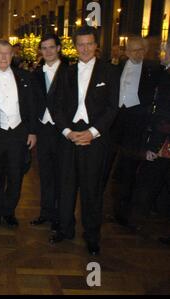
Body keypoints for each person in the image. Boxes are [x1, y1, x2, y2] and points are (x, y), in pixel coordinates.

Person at [51, 26, 120, 256]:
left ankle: (91, 235)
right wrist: (68, 132)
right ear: (74, 46)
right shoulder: (65, 71)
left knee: (92, 190)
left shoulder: (109, 71)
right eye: (80, 44)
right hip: (69, 136)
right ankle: (65, 228)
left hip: (95, 139)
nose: (85, 48)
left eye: (89, 43)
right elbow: (56, 106)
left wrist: (92, 132)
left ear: (96, 45)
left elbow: (112, 108)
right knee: (66, 186)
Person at [109, 36, 162, 228]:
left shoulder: (154, 69)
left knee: (129, 168)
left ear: (145, 50)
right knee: (108, 163)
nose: (136, 53)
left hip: (137, 122)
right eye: (132, 50)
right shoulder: (117, 66)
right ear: (126, 51)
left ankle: (123, 209)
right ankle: (105, 204)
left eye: (140, 50)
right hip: (116, 121)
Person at [0, 39, 36, 229]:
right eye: (0, 53)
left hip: (18, 132)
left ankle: (9, 211)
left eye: (7, 53)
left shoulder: (25, 77)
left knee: (16, 174)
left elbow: (31, 105)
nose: (4, 57)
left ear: (12, 55)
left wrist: (32, 131)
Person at [133, 41, 170, 241]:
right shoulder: (164, 73)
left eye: (167, 48)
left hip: (163, 141)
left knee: (151, 180)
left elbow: (165, 115)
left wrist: (154, 145)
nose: (162, 52)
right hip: (162, 138)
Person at [30, 34, 67, 232]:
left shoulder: (70, 72)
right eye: (44, 48)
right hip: (43, 129)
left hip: (62, 130)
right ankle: (46, 212)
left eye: (51, 47)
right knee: (44, 173)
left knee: (61, 174)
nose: (48, 51)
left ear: (59, 48)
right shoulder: (36, 73)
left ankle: (60, 215)